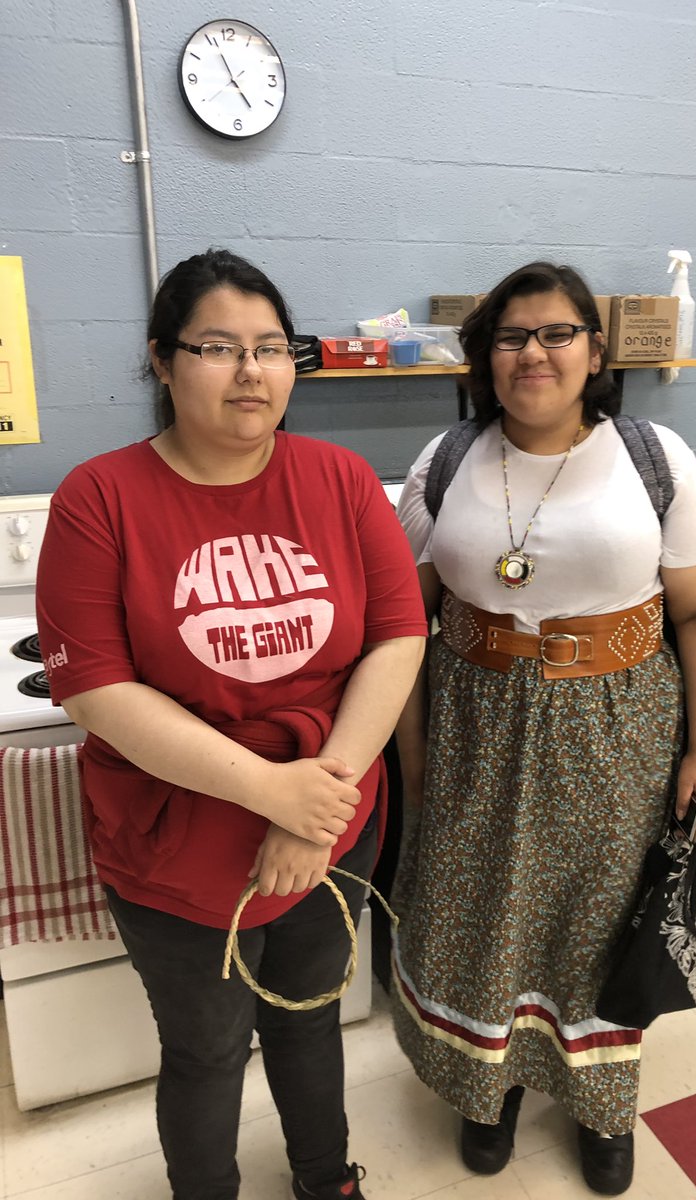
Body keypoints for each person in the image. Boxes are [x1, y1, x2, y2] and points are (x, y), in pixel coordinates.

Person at [35, 249, 427, 1200]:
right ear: (162, 362)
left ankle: (326, 1180)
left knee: (306, 1016)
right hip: (178, 840)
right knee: (207, 1048)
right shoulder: (100, 498)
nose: (253, 371)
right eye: (219, 347)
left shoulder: (336, 479)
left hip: (332, 815)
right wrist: (273, 796)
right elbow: (95, 689)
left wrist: (310, 809)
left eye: (272, 347)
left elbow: (397, 634)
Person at [390, 262, 696, 1195]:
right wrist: (411, 750)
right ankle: (485, 1088)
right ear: (484, 356)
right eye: (511, 336)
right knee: (478, 914)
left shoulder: (654, 457)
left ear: (593, 351)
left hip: (617, 730)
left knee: (595, 920)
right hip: (471, 724)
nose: (533, 352)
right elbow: (398, 625)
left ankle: (598, 1108)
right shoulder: (446, 462)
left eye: (556, 333)